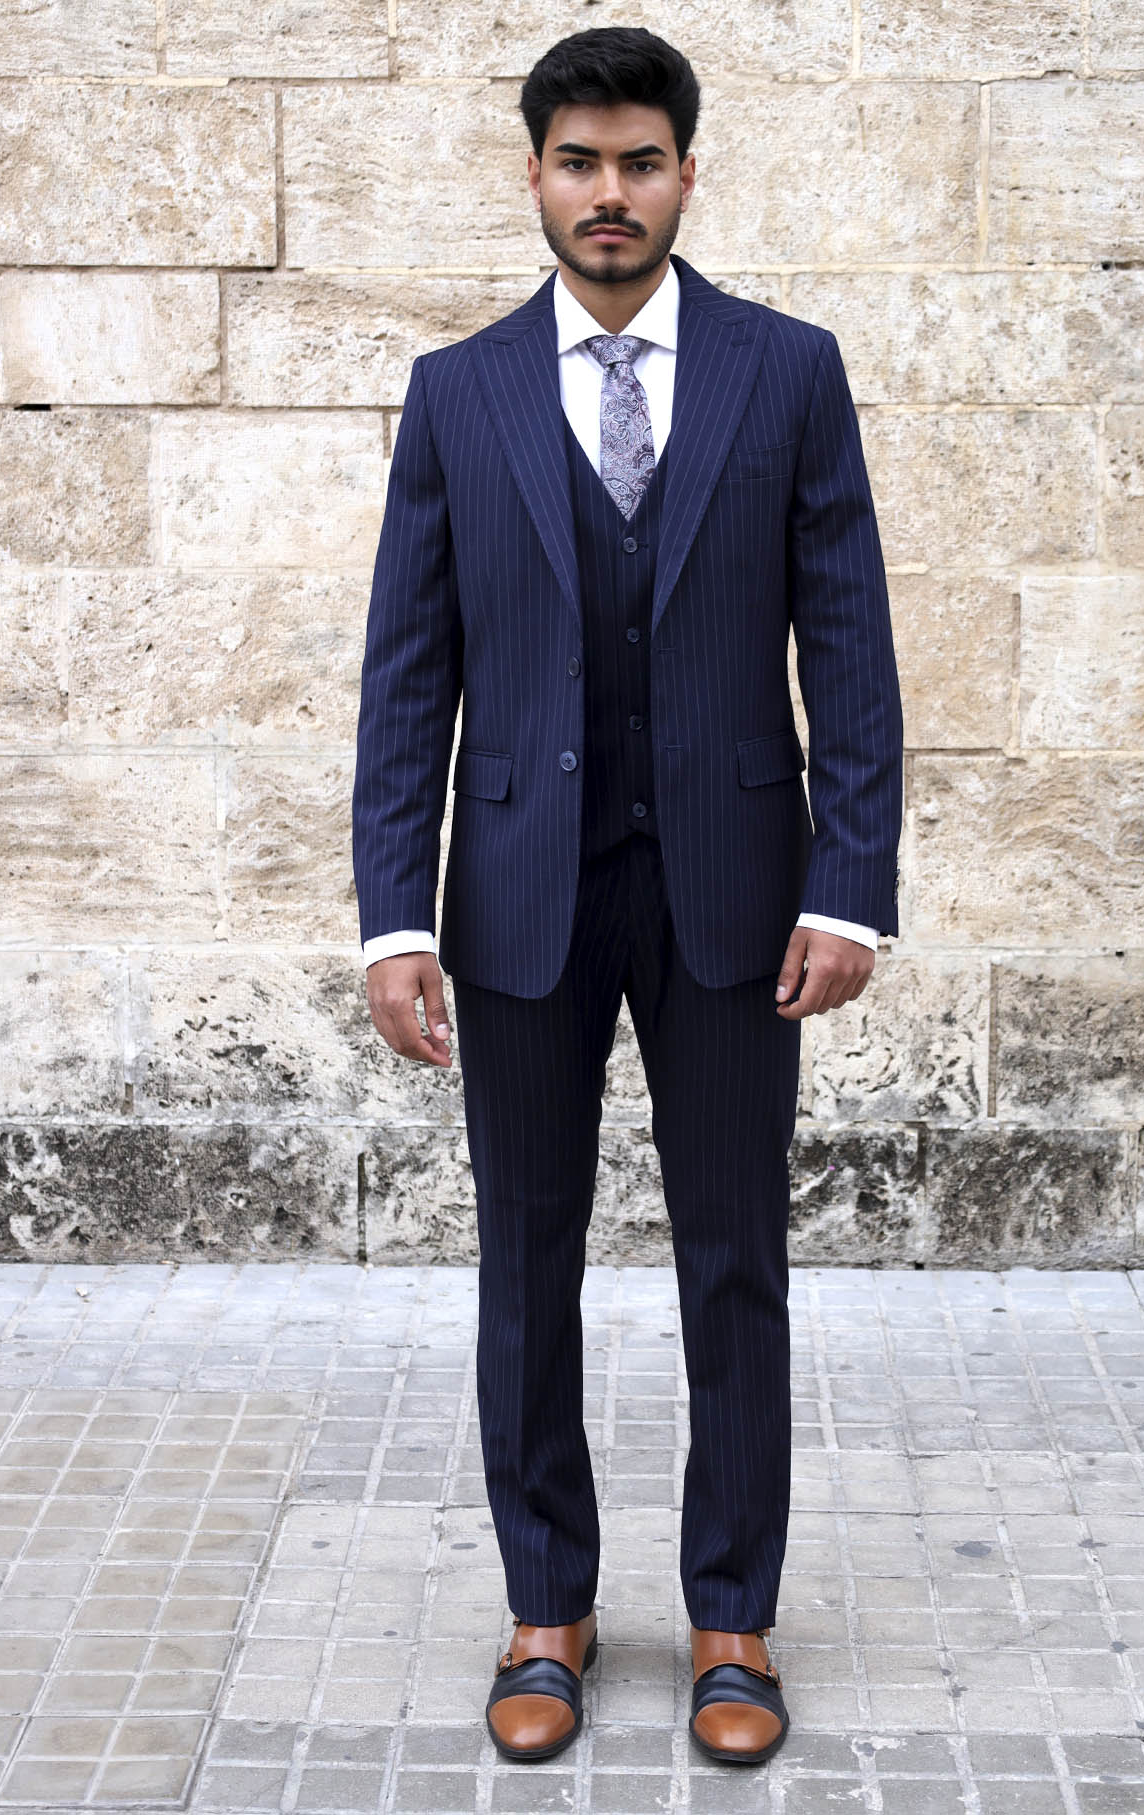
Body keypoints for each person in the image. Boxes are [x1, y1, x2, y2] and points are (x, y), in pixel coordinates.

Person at [352, 25, 903, 1767]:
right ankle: (549, 1610)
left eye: (639, 163)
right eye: (579, 163)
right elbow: (408, 670)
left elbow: (849, 644)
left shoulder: (785, 371)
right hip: (519, 892)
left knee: (736, 1261)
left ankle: (731, 1619)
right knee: (525, 1264)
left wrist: (850, 888)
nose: (610, 193)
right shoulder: (458, 392)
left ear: (684, 174)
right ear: (534, 175)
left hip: (735, 892)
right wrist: (394, 914)